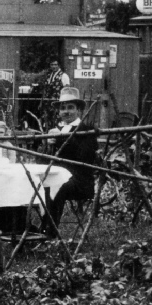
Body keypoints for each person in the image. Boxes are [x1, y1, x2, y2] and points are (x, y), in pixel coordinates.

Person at [40, 87, 99, 235]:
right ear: (59, 112)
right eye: (63, 108)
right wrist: (47, 144)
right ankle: (25, 229)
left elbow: (84, 156)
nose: (66, 112)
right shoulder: (55, 130)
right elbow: (41, 160)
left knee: (58, 185)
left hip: (79, 180)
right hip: (55, 175)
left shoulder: (87, 130)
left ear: (79, 110)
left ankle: (49, 232)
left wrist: (60, 139)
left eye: (71, 107)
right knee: (34, 183)